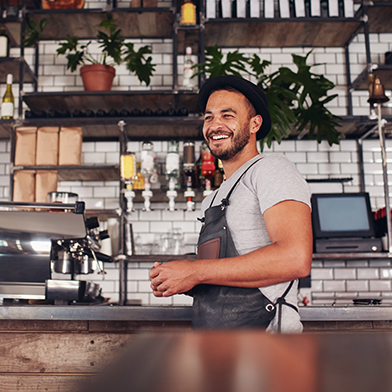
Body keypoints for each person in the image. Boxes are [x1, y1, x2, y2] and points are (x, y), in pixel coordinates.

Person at [149, 75, 313, 333]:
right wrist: (181, 279)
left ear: (254, 124)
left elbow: (295, 258)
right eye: (209, 117)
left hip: (267, 345)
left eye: (228, 115)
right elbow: (217, 276)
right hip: (218, 344)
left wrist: (195, 272)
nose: (215, 125)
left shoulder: (271, 169)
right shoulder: (212, 199)